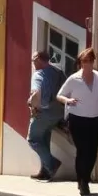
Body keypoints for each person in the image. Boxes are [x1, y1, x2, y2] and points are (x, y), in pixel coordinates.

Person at [57, 48, 98, 196]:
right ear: (80, 63)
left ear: (93, 61)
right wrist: (68, 100)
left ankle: (83, 179)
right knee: (82, 150)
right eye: (83, 61)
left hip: (95, 118)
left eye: (88, 61)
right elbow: (59, 95)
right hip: (77, 118)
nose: (85, 64)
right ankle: (83, 182)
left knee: (92, 152)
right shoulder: (74, 79)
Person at [27, 51, 66, 180]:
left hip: (44, 112)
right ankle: (45, 171)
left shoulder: (38, 75)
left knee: (33, 140)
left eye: (33, 60)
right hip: (58, 113)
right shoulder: (57, 71)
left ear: (39, 59)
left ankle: (52, 164)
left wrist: (33, 106)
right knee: (43, 139)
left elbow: (36, 93)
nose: (32, 63)